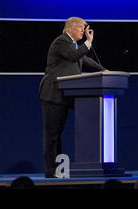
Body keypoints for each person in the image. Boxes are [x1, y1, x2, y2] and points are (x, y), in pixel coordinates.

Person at [39, 17, 105, 178]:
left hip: (66, 95)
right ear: (71, 28)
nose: (84, 31)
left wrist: (105, 71)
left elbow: (85, 60)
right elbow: (75, 55)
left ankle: (58, 170)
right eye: (81, 28)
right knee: (52, 134)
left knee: (57, 134)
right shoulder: (61, 42)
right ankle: (51, 171)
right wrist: (88, 42)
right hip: (53, 94)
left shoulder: (73, 45)